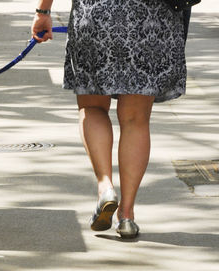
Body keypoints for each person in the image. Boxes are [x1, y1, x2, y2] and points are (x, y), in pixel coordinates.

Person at [32, 0, 187, 238]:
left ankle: (105, 187)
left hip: (96, 16)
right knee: (136, 119)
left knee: (92, 106)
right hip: (152, 20)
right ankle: (126, 216)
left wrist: (43, 10)